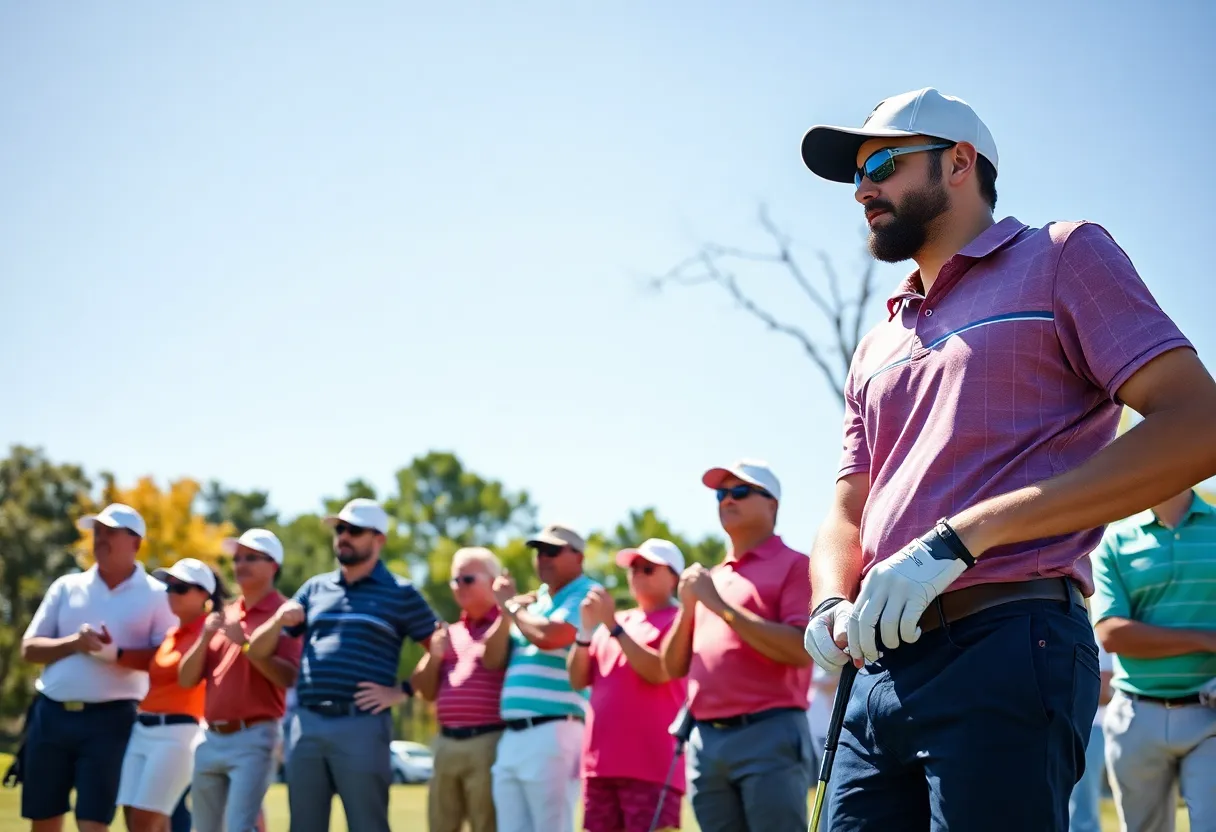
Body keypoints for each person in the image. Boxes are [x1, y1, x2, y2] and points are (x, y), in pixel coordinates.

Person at [798, 87, 1216, 831]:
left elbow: (1198, 424)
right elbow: (848, 505)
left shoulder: (1062, 254)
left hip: (1008, 638)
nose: (863, 188)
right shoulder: (877, 342)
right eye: (857, 175)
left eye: (885, 164)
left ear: (960, 162)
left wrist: (962, 538)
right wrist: (830, 597)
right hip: (875, 671)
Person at [247, 498, 439, 832]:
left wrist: (402, 691)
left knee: (368, 825)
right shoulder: (315, 588)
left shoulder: (402, 593)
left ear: (379, 539)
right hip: (306, 724)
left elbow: (440, 646)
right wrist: (279, 619)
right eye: (340, 529)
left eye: (354, 530)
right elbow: (258, 650)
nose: (343, 537)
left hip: (361, 724)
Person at [660, 460, 814, 832]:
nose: (728, 499)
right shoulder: (710, 579)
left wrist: (720, 607)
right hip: (706, 740)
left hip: (769, 731)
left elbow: (800, 648)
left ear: (772, 505)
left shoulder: (797, 566)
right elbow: (671, 667)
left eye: (740, 492)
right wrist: (690, 606)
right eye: (721, 493)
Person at [19, 502, 177, 832]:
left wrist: (115, 653)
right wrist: (74, 643)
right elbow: (30, 648)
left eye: (110, 533)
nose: (100, 539)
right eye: (97, 532)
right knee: (43, 819)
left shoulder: (158, 594)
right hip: (51, 715)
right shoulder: (66, 586)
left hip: (112, 721)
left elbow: (166, 662)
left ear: (135, 542)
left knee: (93, 822)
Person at [1090, 488, 1216, 831]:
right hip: (1135, 715)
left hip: (1212, 712)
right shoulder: (1113, 540)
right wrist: (1207, 640)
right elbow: (1112, 635)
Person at [179, 528, 301, 832]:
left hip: (254, 737)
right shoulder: (224, 612)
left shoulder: (285, 613)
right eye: (237, 558)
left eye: (250, 558)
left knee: (239, 828)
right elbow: (186, 679)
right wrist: (206, 635)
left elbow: (288, 677)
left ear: (273, 565)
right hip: (211, 737)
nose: (240, 565)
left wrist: (246, 643)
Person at [569, 538, 689, 832]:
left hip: (653, 770)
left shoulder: (680, 621)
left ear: (673, 577)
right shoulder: (617, 621)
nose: (636, 574)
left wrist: (612, 627)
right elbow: (577, 679)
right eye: (633, 569)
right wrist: (585, 632)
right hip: (599, 769)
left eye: (647, 568)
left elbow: (660, 671)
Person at [490, 522, 601, 832]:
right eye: (539, 551)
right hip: (513, 735)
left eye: (552, 550)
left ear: (578, 557)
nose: (543, 557)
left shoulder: (588, 593)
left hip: (554, 730)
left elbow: (551, 635)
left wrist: (511, 606)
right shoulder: (533, 603)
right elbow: (493, 659)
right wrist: (505, 612)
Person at [116, 558, 225, 832]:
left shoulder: (211, 632)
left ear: (204, 595)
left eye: (181, 587)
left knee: (144, 819)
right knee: (133, 816)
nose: (171, 593)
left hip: (178, 734)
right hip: (143, 729)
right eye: (169, 587)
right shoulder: (171, 634)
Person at [411, 546, 512, 832]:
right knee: (441, 825)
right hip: (446, 742)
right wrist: (433, 656)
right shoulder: (449, 632)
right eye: (455, 580)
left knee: (486, 825)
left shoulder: (508, 625)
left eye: (468, 579)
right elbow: (425, 690)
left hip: (488, 739)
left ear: (494, 581)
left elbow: (496, 660)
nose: (459, 586)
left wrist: (507, 613)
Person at [1069, 636, 1113, 832]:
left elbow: (1103, 691)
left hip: (1091, 729)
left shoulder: (1097, 635)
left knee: (1081, 812)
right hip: (1071, 727)